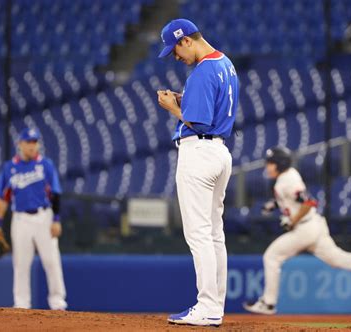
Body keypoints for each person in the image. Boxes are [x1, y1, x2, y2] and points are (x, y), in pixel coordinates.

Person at [243, 147, 351, 315]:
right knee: (338, 258)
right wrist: (273, 205)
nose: (267, 167)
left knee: (272, 256)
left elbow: (308, 202)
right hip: (314, 225)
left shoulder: (287, 180)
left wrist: (292, 221)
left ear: (280, 164)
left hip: (305, 228)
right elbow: (291, 198)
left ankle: (268, 302)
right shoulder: (287, 176)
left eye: (271, 163)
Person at [156, 18, 238, 326]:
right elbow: (210, 110)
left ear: (186, 40)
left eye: (175, 50)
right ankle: (215, 305)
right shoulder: (225, 64)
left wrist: (173, 108)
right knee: (215, 234)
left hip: (199, 152)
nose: (176, 57)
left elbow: (199, 123)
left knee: (199, 234)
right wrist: (184, 99)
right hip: (219, 152)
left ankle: (207, 307)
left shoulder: (203, 71)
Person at [0, 128, 67, 310]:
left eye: (35, 142)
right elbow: (3, 198)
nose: (33, 145)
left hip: (43, 217)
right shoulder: (10, 168)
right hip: (20, 219)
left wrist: (56, 219)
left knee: (51, 260)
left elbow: (56, 193)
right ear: (20, 144)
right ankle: (21, 304)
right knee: (21, 263)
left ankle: (58, 302)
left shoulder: (45, 165)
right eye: (29, 142)